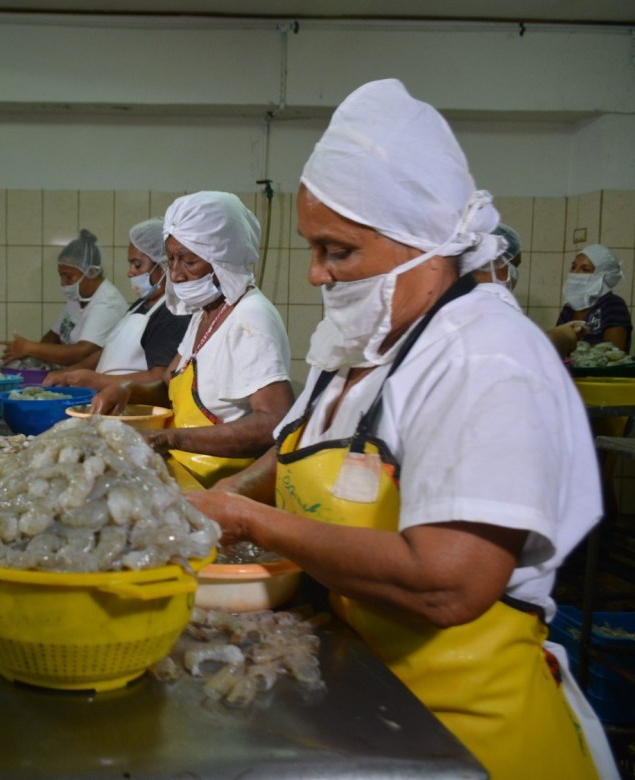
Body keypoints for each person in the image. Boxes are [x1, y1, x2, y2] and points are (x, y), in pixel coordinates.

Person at [186, 79, 616, 780]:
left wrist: (245, 518)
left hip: (471, 740)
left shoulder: (487, 357)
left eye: (339, 250)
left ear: (424, 242)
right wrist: (216, 503)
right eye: (312, 246)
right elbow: (291, 454)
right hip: (372, 708)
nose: (316, 273)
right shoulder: (358, 345)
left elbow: (448, 582)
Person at [91, 192, 294, 491]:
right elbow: (167, 383)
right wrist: (126, 388)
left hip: (222, 487)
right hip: (185, 471)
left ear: (223, 258)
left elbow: (275, 421)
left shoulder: (250, 319)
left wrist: (171, 438)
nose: (176, 274)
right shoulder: (206, 313)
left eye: (188, 260)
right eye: (171, 258)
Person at [44, 218, 190, 390]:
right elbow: (105, 352)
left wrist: (96, 380)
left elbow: (159, 377)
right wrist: (68, 374)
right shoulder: (140, 305)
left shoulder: (172, 312)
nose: (130, 273)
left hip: (137, 409)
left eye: (137, 265)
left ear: (164, 265)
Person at [0, 229, 127, 367]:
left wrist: (30, 348)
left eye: (68, 276)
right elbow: (54, 337)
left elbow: (82, 353)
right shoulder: (79, 297)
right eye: (61, 275)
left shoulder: (108, 303)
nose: (63, 282)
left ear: (91, 272)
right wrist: (30, 354)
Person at [473, 224, 587, 357]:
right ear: (493, 261)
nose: (515, 273)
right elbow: (520, 354)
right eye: (514, 265)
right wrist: (561, 336)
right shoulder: (483, 304)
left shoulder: (471, 298)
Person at [556, 243, 631, 352]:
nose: (575, 273)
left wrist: (571, 349)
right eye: (573, 267)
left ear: (602, 276)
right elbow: (556, 343)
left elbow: (613, 351)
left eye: (585, 269)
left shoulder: (613, 305)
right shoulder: (569, 308)